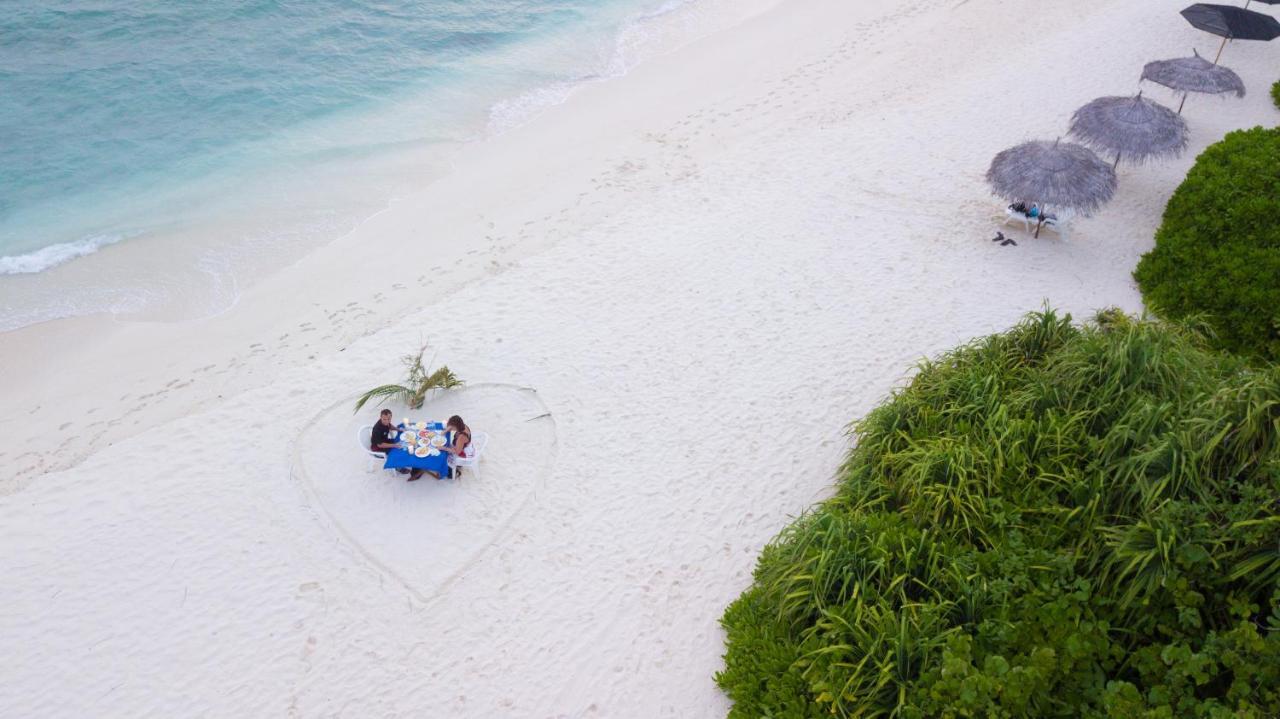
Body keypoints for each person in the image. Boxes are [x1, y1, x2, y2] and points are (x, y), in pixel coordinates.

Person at [370, 409, 411, 476]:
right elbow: (380, 445)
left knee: (401, 442)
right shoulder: (376, 429)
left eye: (389, 419)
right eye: (384, 419)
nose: (387, 421)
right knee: (395, 450)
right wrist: (394, 445)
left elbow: (390, 426)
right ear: (380, 418)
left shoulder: (386, 422)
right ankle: (398, 467)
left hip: (385, 441)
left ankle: (403, 459)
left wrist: (398, 429)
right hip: (378, 448)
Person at [439, 414, 472, 479]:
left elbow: (457, 452)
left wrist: (443, 448)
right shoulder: (462, 425)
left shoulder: (461, 437)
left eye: (452, 427)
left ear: (456, 427)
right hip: (461, 445)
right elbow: (451, 427)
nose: (451, 428)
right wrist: (445, 431)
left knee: (441, 456)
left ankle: (456, 471)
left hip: (461, 452)